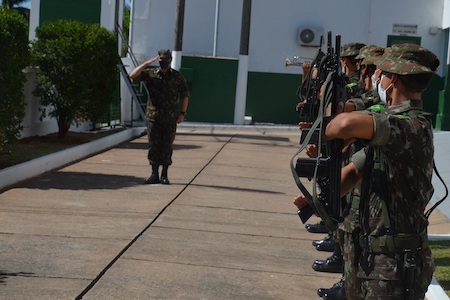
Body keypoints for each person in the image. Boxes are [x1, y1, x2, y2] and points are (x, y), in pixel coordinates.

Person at [320, 43, 438, 299]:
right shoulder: (390, 130)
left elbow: (343, 123)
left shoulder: (411, 126)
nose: (375, 78)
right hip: (369, 260)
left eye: (380, 73)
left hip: (392, 267)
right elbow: (351, 175)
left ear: (391, 78)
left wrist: (330, 131)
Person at [129, 49, 189, 185]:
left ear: (171, 61)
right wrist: (147, 63)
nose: (164, 63)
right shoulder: (151, 74)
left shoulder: (177, 77)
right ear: (158, 60)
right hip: (154, 117)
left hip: (170, 118)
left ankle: (164, 175)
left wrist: (182, 113)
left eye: (167, 61)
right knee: (154, 146)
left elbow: (185, 95)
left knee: (167, 146)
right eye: (162, 61)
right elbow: (132, 75)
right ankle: (154, 174)